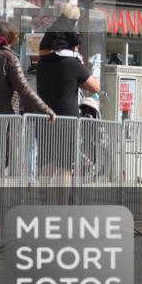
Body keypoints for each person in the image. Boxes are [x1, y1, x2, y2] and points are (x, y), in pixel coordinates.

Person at [0, 22, 55, 228]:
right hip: (0, 121)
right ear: (11, 39)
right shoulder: (10, 59)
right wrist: (47, 110)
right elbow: (25, 90)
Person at [36, 35, 100, 204]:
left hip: (45, 119)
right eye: (77, 48)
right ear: (72, 48)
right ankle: (61, 208)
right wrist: (81, 65)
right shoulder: (72, 64)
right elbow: (95, 87)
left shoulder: (42, 64)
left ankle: (45, 205)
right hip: (67, 121)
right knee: (64, 166)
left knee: (47, 164)